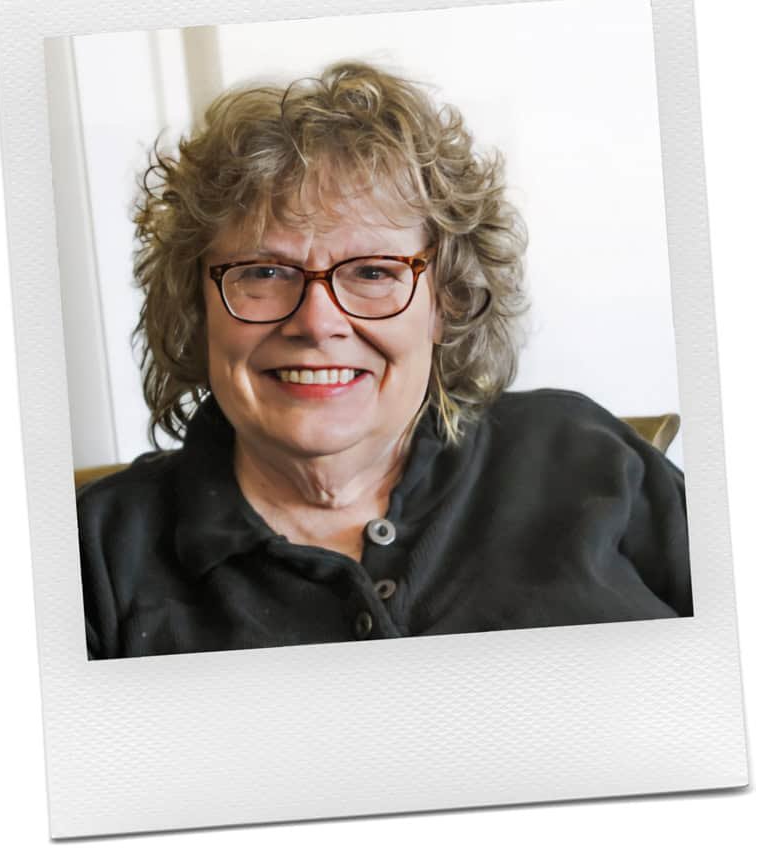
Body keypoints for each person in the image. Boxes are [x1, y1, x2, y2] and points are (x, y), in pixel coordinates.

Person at [77, 61, 692, 660]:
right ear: (196, 305)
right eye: (263, 272)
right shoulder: (94, 556)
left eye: (373, 271)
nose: (317, 322)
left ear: (444, 302)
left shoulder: (584, 455)